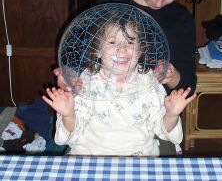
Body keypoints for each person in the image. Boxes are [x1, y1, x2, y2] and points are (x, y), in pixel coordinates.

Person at [43, 14, 196, 156]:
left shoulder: (149, 81)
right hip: (90, 154)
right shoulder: (86, 81)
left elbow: (162, 129)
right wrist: (68, 114)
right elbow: (71, 134)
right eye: (112, 42)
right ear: (97, 51)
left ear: (141, 50)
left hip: (139, 155)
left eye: (130, 42)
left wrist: (172, 114)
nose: (122, 49)